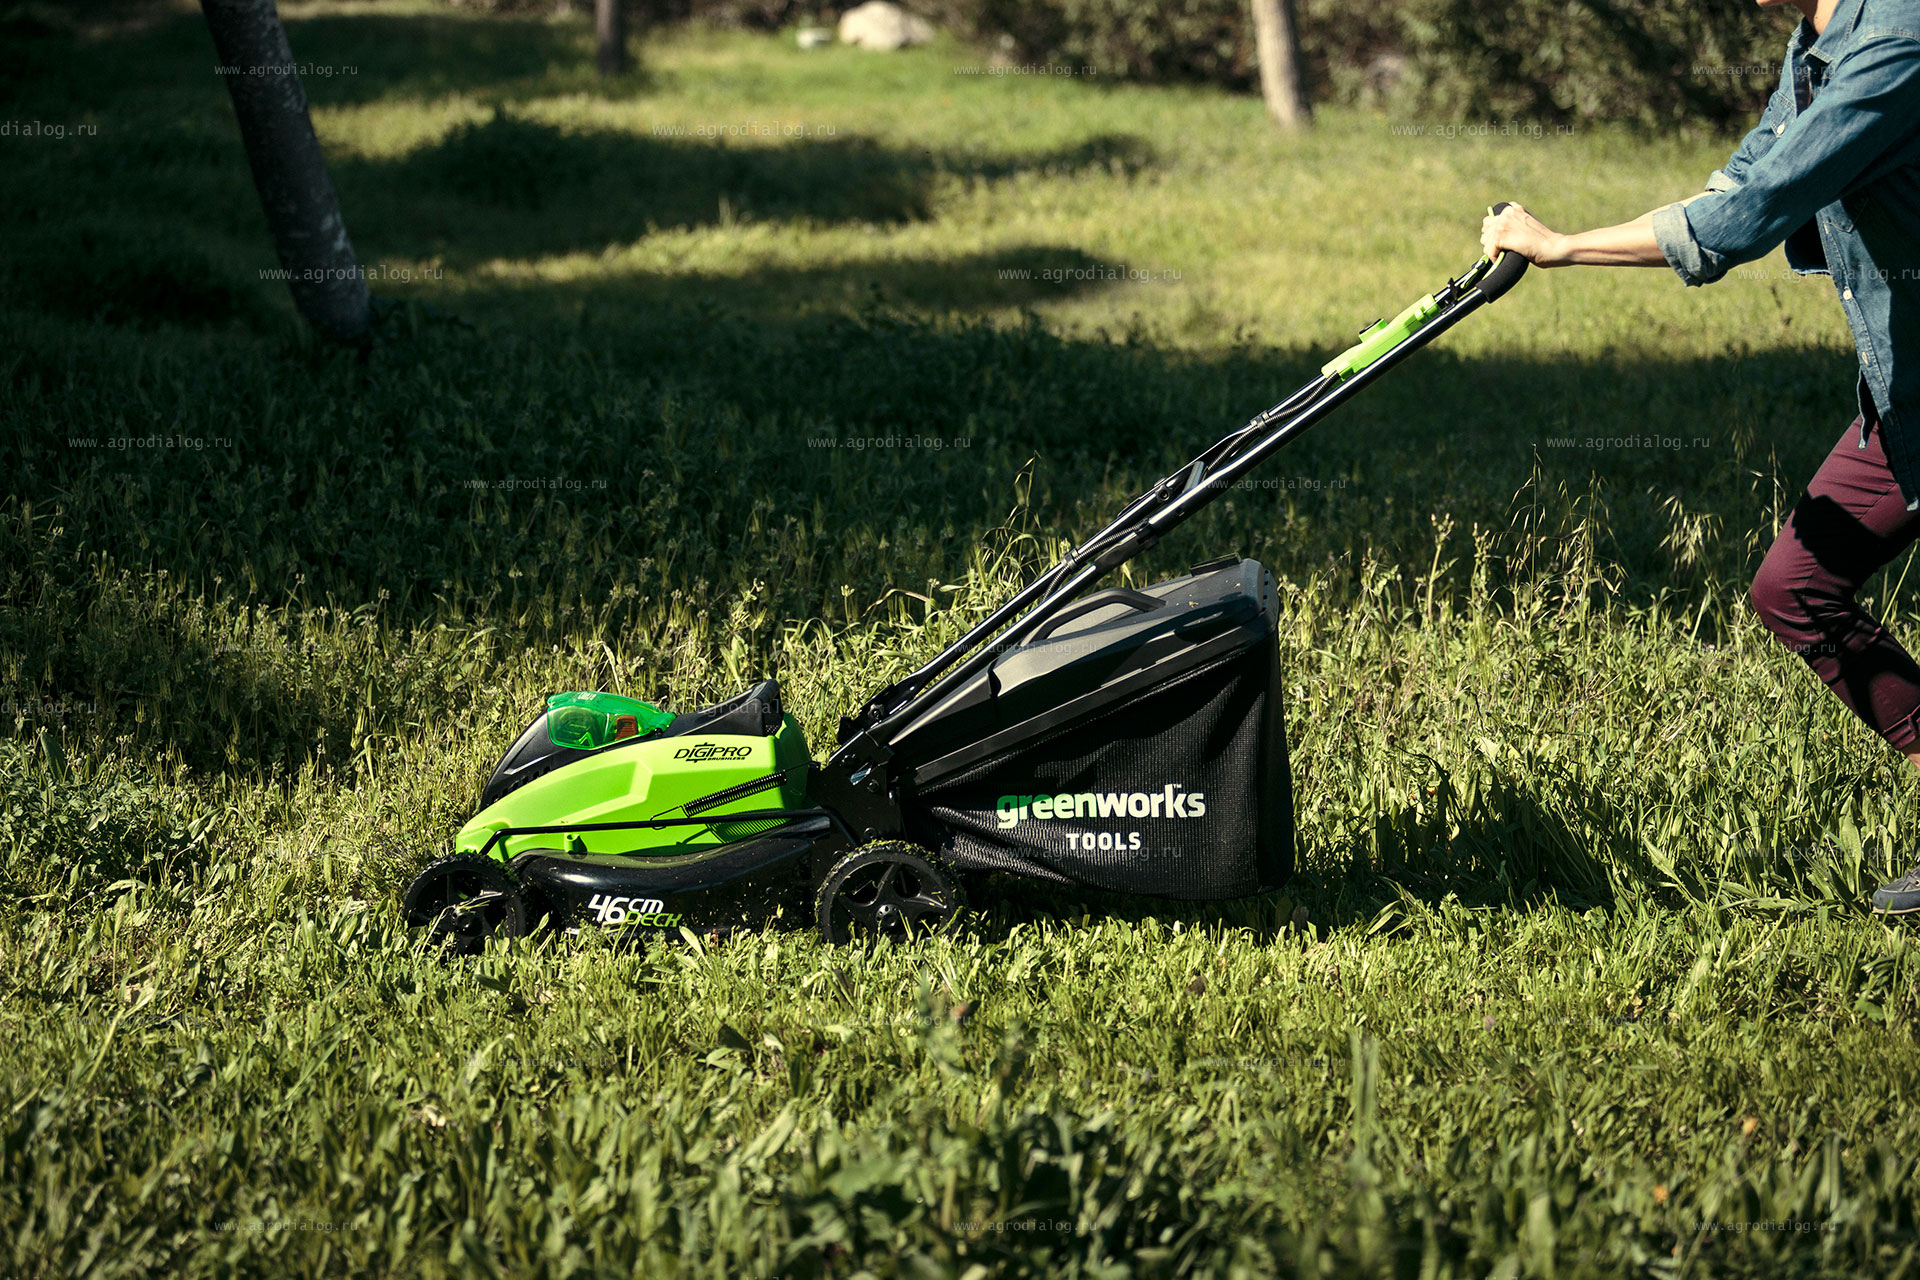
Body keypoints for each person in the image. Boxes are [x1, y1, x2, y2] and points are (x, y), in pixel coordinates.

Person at [1480, 0, 1920, 912]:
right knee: (1795, 587)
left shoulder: (1899, 41)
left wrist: (1563, 248)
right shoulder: (1817, 44)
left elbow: (1756, 212)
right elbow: (1739, 182)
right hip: (1906, 399)